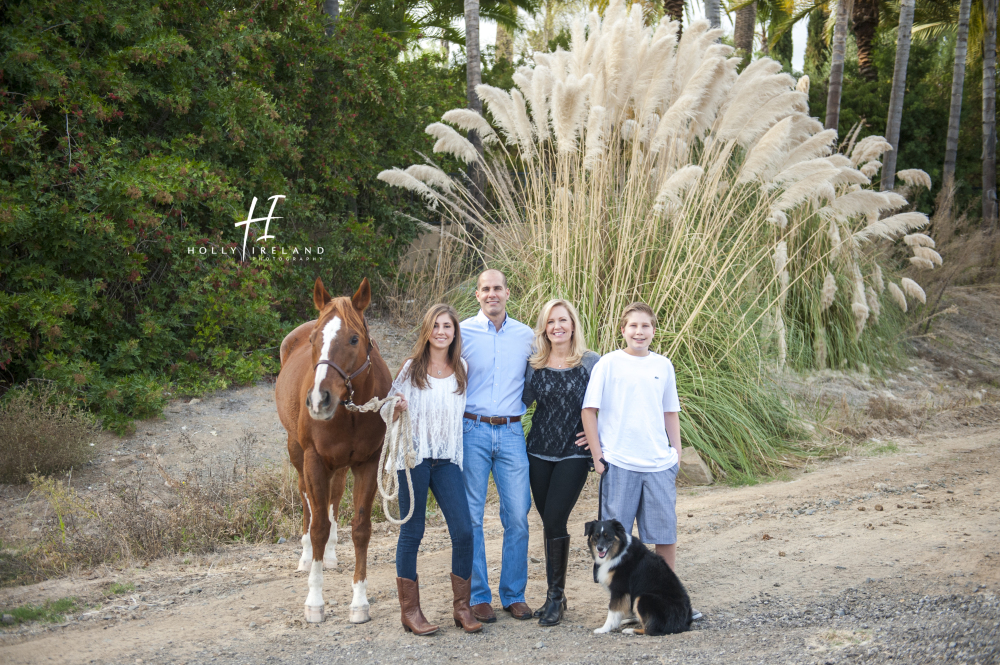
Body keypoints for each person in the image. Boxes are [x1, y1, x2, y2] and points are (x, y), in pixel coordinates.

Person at [390, 304, 483, 635]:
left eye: (448, 326)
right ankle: (411, 612)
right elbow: (387, 409)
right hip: (413, 459)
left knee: (464, 530)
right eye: (436, 326)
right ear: (427, 331)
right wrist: (397, 407)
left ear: (455, 332)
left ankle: (462, 608)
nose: (442, 332)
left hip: (446, 459)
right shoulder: (411, 368)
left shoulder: (462, 368)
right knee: (413, 532)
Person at [580, 301, 683, 570]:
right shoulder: (608, 363)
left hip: (659, 464)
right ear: (623, 330)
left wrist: (676, 455)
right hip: (619, 463)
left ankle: (665, 597)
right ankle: (622, 602)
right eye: (633, 326)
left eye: (645, 326)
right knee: (614, 538)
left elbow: (670, 412)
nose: (639, 332)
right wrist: (598, 456)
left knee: (665, 534)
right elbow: (589, 411)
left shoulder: (663, 365)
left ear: (653, 331)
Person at [459, 269, 535, 622]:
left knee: (517, 516)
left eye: (498, 289)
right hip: (471, 429)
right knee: (472, 516)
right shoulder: (461, 332)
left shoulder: (526, 336)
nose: (492, 294)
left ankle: (514, 594)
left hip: (510, 432)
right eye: (485, 289)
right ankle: (478, 596)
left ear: (507, 292)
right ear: (477, 295)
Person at [521, 299, 599, 626]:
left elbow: (608, 403)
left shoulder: (591, 362)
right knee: (549, 522)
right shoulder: (535, 363)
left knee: (555, 517)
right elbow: (521, 402)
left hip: (574, 453)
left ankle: (555, 598)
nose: (557, 327)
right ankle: (557, 593)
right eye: (551, 321)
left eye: (563, 320)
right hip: (537, 451)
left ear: (573, 324)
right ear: (544, 327)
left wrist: (598, 437)